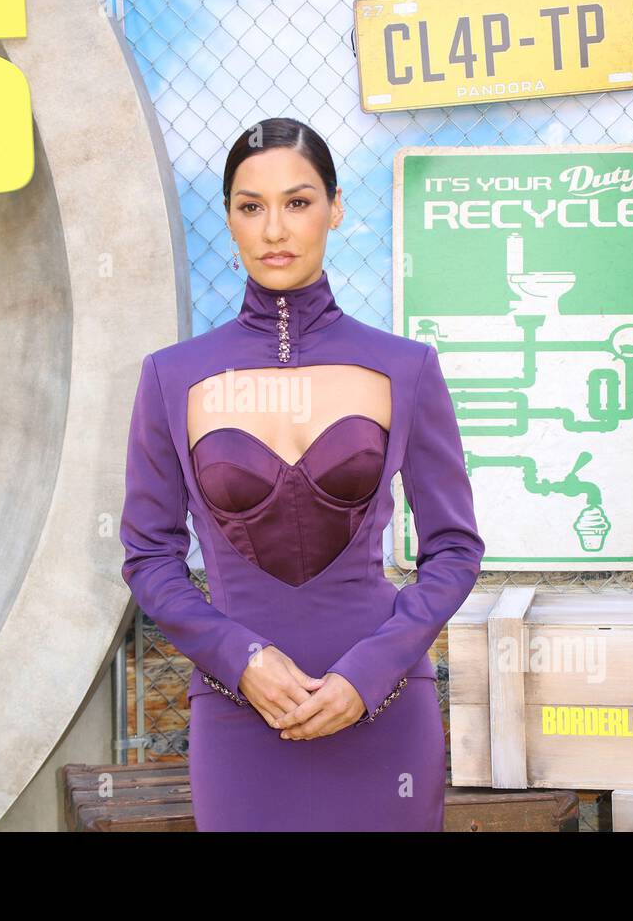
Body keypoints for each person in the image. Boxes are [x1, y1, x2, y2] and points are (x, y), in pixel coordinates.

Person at [119, 117, 484, 831]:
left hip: (382, 712)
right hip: (237, 714)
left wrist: (369, 673)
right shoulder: (172, 376)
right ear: (229, 219)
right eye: (251, 207)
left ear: (336, 208)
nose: (274, 229)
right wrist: (241, 658)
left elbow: (455, 551)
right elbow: (148, 557)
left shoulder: (406, 367)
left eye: (298, 201)